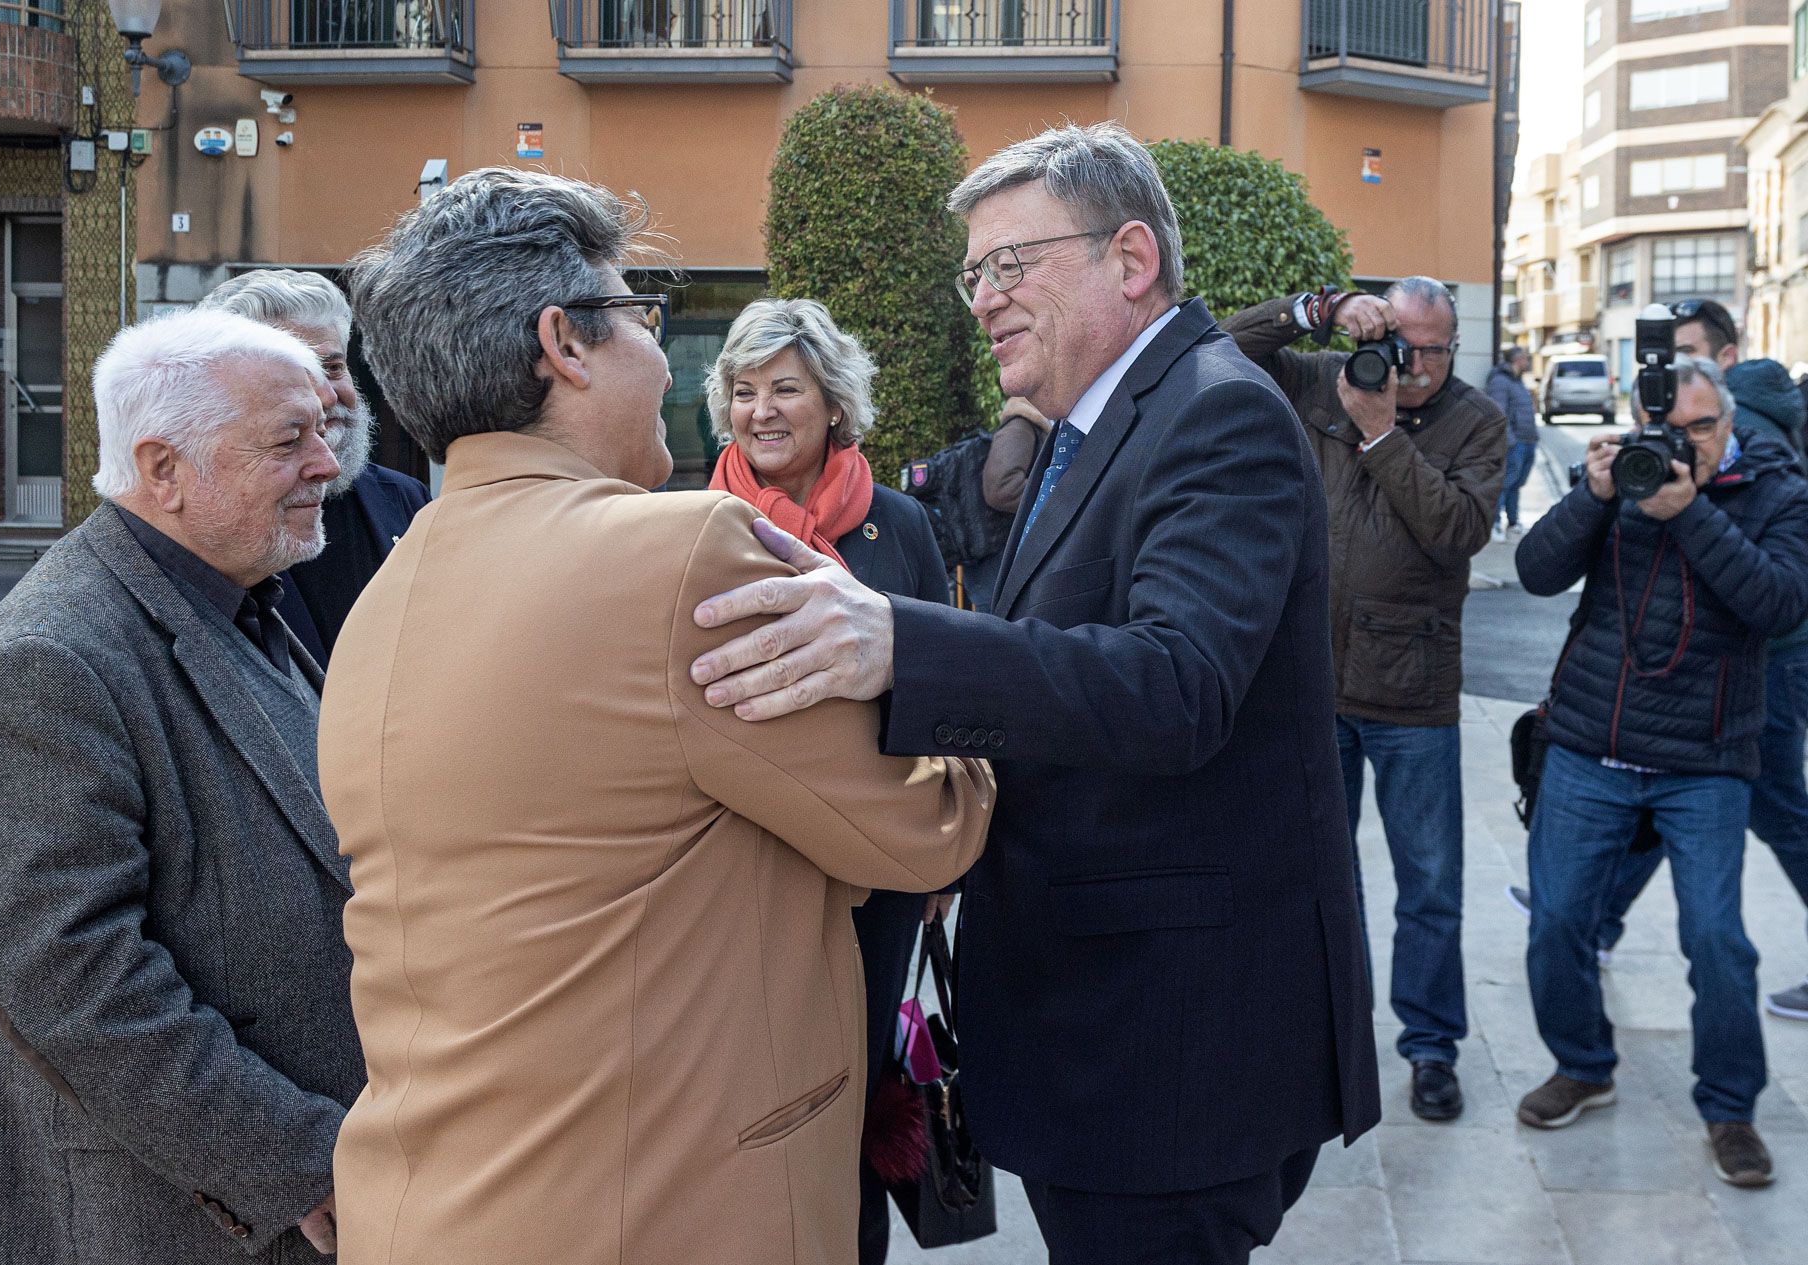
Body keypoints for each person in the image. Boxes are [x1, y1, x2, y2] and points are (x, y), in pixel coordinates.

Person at [686, 122, 1380, 1265]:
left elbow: (1175, 684)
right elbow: (1062, 662)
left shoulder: (1217, 410)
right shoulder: (1095, 426)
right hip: (1108, 1028)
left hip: (1171, 1052)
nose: (983, 298)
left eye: (1012, 263)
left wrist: (903, 641)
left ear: (1133, 257)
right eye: (974, 273)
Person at [321, 168, 994, 1265]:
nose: (660, 355)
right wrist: (941, 701)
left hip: (432, 1204)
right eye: (642, 314)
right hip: (658, 1206)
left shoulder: (387, 592)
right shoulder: (681, 551)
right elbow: (927, 830)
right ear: (565, 344)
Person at [0, 308, 360, 1263]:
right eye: (291, 440)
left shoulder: (238, 590)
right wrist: (297, 1157)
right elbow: (76, 984)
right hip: (148, 1213)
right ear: (164, 470)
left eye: (324, 430)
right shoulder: (45, 660)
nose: (327, 463)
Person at [1514, 354, 1808, 1187]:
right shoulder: (1621, 483)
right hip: (1588, 742)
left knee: (1718, 941)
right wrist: (1595, 495)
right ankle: (1583, 1062)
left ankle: (1730, 1108)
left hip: (1704, 758)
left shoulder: (1777, 495)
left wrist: (1687, 515)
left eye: (1701, 429)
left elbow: (1780, 603)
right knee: (1558, 922)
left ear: (1731, 426)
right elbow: (1536, 572)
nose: (1682, 446)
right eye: (1667, 431)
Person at [702, 296, 953, 1265]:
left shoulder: (902, 527)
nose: (761, 409)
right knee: (754, 1089)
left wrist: (938, 861)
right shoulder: (691, 524)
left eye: (785, 389)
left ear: (833, 404)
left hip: (876, 864)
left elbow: (945, 691)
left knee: (856, 1091)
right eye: (743, 389)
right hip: (744, 862)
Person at [1223, 279, 1504, 1122]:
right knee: (1320, 877)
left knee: (1429, 884)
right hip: (1313, 681)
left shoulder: (1478, 422)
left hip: (1412, 692)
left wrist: (1381, 437)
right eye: (1400, 341)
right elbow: (1225, 350)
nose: (1411, 364)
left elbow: (1459, 530)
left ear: (1454, 349)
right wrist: (1318, 309)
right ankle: (1326, 1033)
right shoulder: (1324, 377)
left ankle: (1430, 1047)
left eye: (1432, 349)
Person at [197, 269, 430, 667]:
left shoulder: (406, 499)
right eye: (295, 372)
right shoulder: (207, 517)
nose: (323, 394)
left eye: (334, 367)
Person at [967, 396, 1051, 613]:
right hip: (996, 554)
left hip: (998, 551)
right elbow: (1001, 489)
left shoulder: (1028, 425)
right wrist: (1053, 500)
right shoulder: (1021, 426)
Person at [1487, 346, 1538, 539]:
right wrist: (1511, 441)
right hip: (1514, 443)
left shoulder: (1517, 381)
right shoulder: (1501, 382)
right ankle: (1495, 524)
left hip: (1528, 440)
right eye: (1526, 357)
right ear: (1517, 359)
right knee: (1505, 483)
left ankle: (1513, 522)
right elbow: (1498, 413)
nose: (1528, 361)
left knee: (1515, 483)